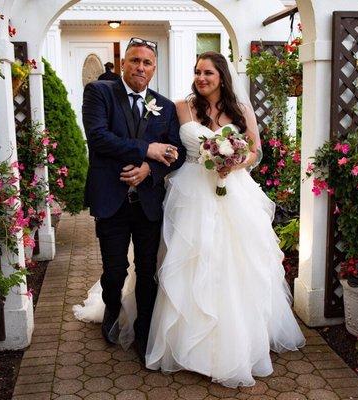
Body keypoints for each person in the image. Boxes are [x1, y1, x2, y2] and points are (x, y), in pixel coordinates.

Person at [144, 51, 306, 387]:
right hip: (191, 192)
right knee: (191, 259)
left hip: (234, 191)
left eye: (209, 73)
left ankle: (236, 341)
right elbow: (172, 147)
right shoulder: (181, 107)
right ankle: (187, 343)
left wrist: (233, 163)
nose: (201, 78)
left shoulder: (240, 110)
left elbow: (255, 151)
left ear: (222, 76)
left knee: (236, 262)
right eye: (198, 72)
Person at [80, 37, 185, 363]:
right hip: (111, 198)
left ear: (154, 68)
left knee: (147, 269)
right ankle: (112, 306)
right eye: (135, 60)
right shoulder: (99, 93)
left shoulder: (165, 106)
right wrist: (147, 149)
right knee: (115, 269)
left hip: (149, 203)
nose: (141, 67)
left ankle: (143, 333)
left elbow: (177, 154)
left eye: (147, 63)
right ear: (124, 63)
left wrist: (149, 170)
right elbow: (98, 137)